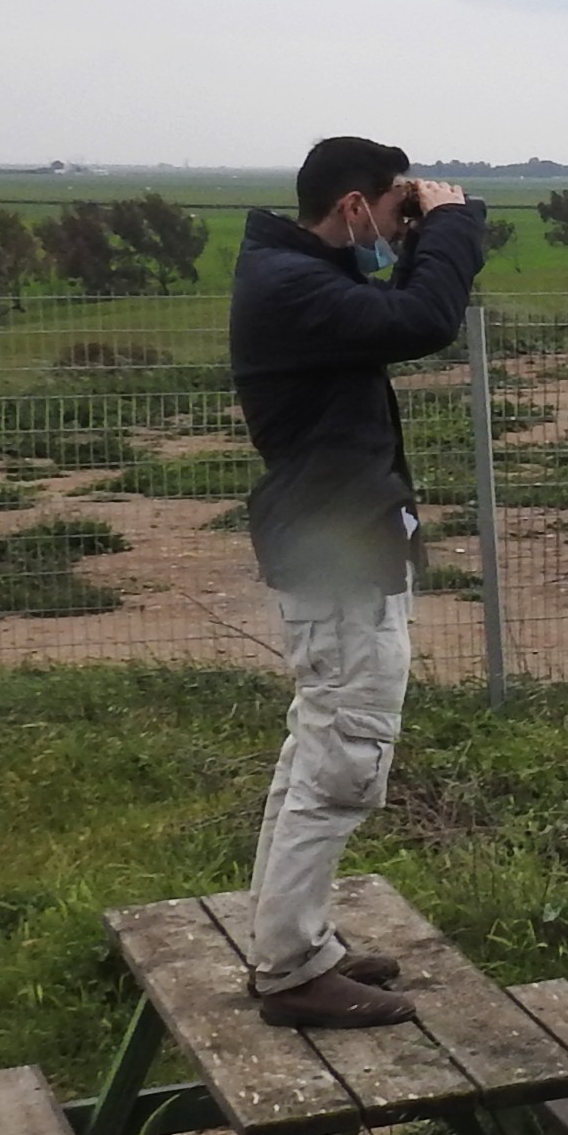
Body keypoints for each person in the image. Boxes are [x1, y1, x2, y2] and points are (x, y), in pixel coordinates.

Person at [229, 135, 490, 1027]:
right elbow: (421, 321)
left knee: (316, 743)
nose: (394, 227)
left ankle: (290, 938)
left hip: (332, 542)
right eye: (389, 210)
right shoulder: (296, 287)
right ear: (352, 207)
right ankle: (292, 967)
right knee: (343, 757)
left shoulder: (293, 275)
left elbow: (397, 308)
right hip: (336, 554)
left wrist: (422, 234)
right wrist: (452, 225)